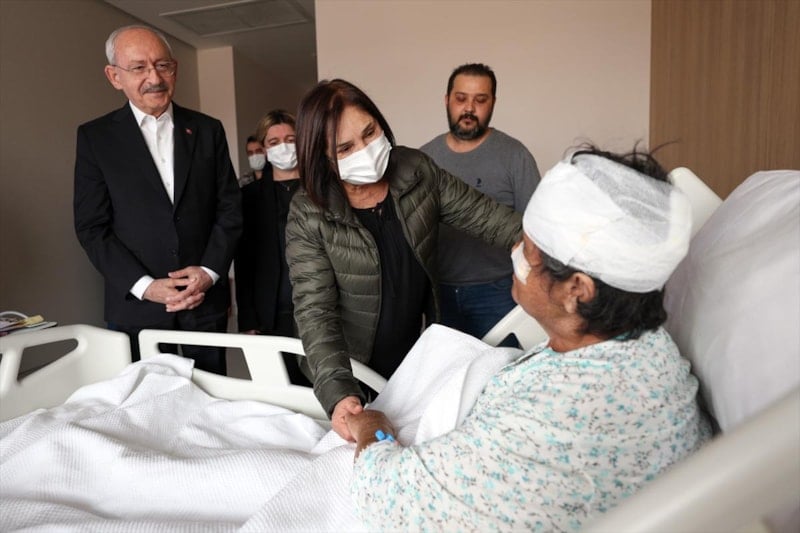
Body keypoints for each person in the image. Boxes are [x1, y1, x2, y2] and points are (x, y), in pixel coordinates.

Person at [345, 146, 712, 531]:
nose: (515, 252)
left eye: (528, 250)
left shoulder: (550, 424)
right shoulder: (648, 348)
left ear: (576, 290)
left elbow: (385, 495)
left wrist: (371, 425)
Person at [286, 79, 522, 440]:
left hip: (412, 353)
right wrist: (339, 393)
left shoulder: (416, 170)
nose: (366, 151)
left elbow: (486, 216)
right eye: (345, 148)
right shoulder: (309, 212)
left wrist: (546, 249)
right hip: (349, 364)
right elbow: (315, 311)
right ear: (322, 158)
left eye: (370, 132)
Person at [74, 25, 242, 375]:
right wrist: (146, 287)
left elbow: (230, 210)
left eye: (163, 65)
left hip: (202, 301)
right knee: (145, 401)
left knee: (213, 398)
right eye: (139, 68)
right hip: (137, 308)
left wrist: (209, 272)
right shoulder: (95, 138)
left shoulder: (208, 130)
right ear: (114, 76)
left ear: (174, 69)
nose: (154, 78)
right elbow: (92, 227)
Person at [421, 63, 541, 341]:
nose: (469, 109)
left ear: (493, 103)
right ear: (447, 100)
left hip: (499, 292)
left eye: (480, 100)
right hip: (440, 293)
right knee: (447, 367)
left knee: (505, 364)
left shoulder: (515, 156)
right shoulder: (424, 159)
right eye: (461, 98)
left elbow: (536, 232)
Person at [234, 110, 306, 384]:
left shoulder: (322, 190)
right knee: (279, 390)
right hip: (272, 311)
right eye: (274, 142)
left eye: (290, 139)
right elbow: (244, 261)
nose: (284, 147)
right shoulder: (249, 197)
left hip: (320, 309)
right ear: (264, 148)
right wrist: (248, 320)